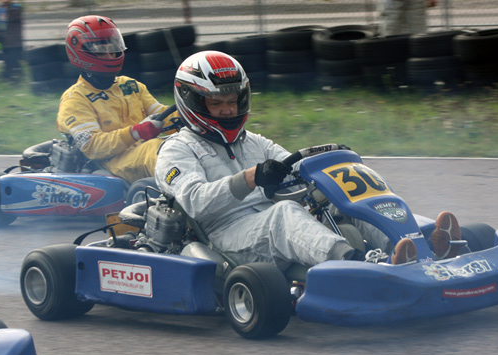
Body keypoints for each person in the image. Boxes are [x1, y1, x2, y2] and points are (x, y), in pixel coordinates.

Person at [154, 50, 462, 271]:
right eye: (217, 103)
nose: (228, 110)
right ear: (193, 102)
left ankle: (418, 251)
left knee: (337, 197)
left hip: (266, 220)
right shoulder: (176, 150)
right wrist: (250, 178)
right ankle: (364, 265)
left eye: (232, 101)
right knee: (284, 214)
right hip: (226, 235)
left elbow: (296, 167)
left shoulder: (254, 142)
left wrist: (331, 167)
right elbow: (195, 201)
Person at [57, 15, 178, 184]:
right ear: (81, 53)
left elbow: (163, 115)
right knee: (158, 149)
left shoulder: (130, 85)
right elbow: (92, 145)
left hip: (142, 152)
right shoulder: (75, 99)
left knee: (186, 145)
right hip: (110, 162)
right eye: (101, 50)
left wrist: (192, 116)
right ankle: (191, 193)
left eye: (113, 47)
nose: (109, 55)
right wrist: (135, 132)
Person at [0, 0, 23, 80]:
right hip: (3, 40)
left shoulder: (16, 8)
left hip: (13, 41)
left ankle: (15, 76)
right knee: (6, 59)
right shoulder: (0, 9)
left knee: (14, 60)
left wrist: (5, 10)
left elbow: (14, 17)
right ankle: (8, 75)